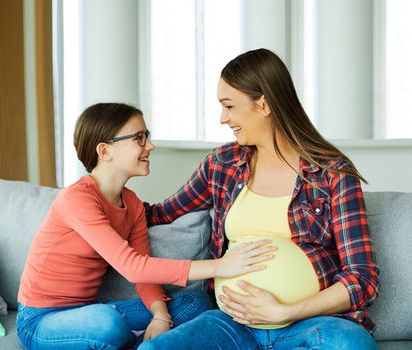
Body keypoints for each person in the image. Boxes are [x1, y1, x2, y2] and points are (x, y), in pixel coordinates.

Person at [139, 48, 380, 349]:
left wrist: (284, 311)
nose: (223, 118)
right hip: (233, 324)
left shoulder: (331, 173)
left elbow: (363, 278)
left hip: (306, 324)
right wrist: (100, 193)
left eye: (229, 106)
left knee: (351, 344)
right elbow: (161, 213)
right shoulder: (221, 164)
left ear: (263, 104)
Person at [16, 103, 275, 350]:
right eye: (139, 138)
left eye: (147, 136)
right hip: (41, 320)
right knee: (108, 324)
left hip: (87, 311)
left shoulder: (133, 204)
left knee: (196, 303)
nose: (150, 146)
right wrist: (220, 266)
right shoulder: (77, 199)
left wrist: (161, 317)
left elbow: (144, 273)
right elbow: (132, 267)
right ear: (105, 151)